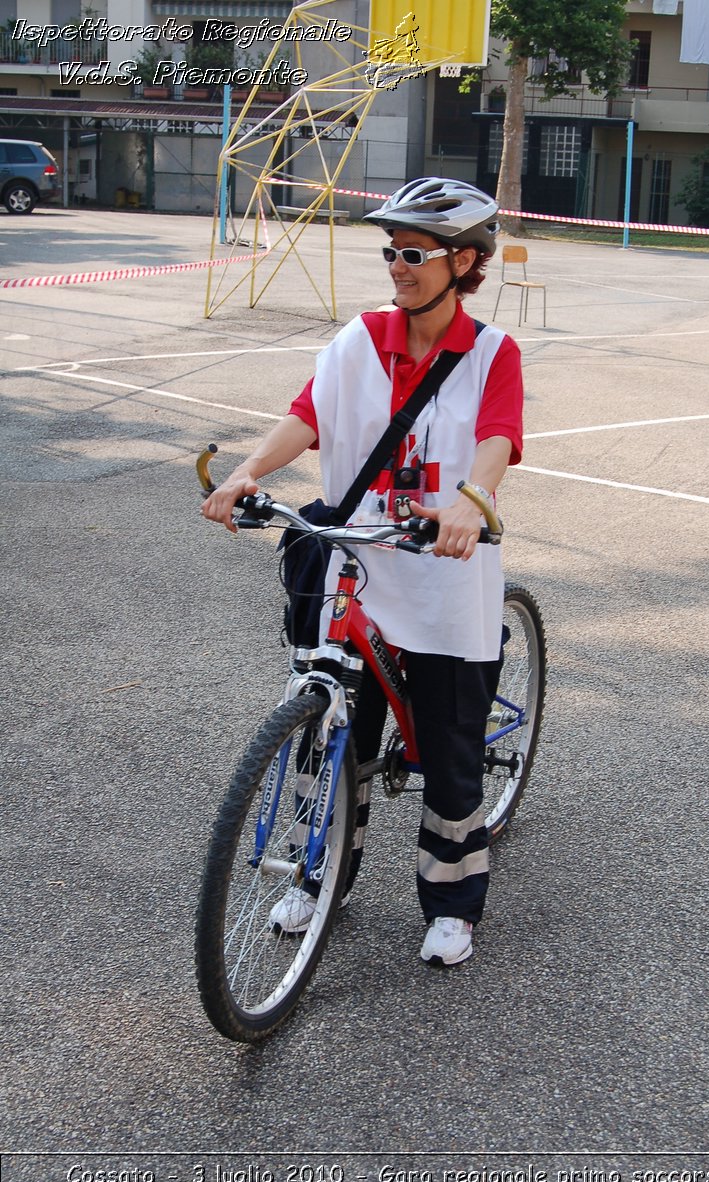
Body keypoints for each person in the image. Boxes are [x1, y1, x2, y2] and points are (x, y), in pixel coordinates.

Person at [202, 178, 524, 966]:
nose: (397, 267)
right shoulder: (359, 342)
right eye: (391, 252)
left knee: (449, 747)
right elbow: (306, 415)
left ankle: (452, 900)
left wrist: (470, 502)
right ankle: (319, 880)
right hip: (356, 558)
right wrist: (246, 471)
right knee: (327, 739)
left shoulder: (490, 354)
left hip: (444, 565)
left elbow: (498, 437)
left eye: (414, 253)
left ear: (466, 263)